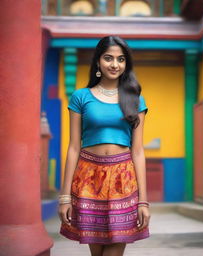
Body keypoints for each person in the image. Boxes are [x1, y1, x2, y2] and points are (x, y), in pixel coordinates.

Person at [58, 35, 150, 256]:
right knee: (96, 253)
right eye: (108, 58)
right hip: (88, 178)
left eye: (121, 59)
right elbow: (73, 147)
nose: (115, 64)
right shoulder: (81, 97)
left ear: (126, 63)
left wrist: (143, 202)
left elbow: (137, 151)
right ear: (98, 62)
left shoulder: (135, 99)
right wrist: (65, 197)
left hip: (123, 180)